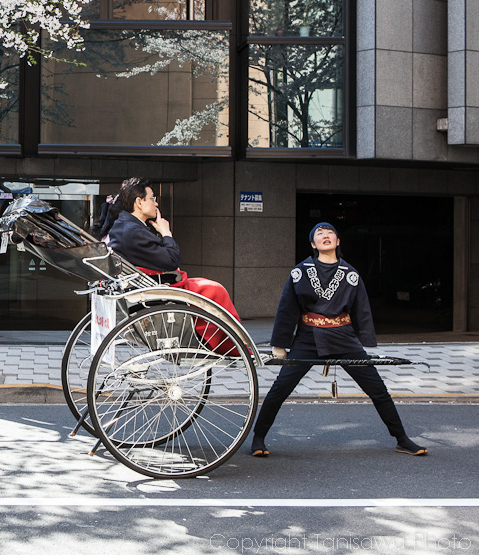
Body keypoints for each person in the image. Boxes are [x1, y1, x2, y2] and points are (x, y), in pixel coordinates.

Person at [249, 222, 428, 458]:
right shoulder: (300, 272)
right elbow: (287, 308)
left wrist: (363, 340)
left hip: (344, 338)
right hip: (307, 338)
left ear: (338, 242)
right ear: (313, 244)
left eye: (330, 233)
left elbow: (361, 308)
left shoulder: (351, 275)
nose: (326, 236)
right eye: (319, 234)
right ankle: (258, 438)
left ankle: (402, 439)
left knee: (377, 389)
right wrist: (279, 344)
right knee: (280, 388)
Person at [107, 177, 241, 328]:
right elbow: (172, 260)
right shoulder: (133, 231)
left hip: (148, 286)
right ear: (139, 202)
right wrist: (166, 233)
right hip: (159, 290)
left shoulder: (123, 226)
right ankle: (228, 345)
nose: (156, 203)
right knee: (216, 289)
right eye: (152, 198)